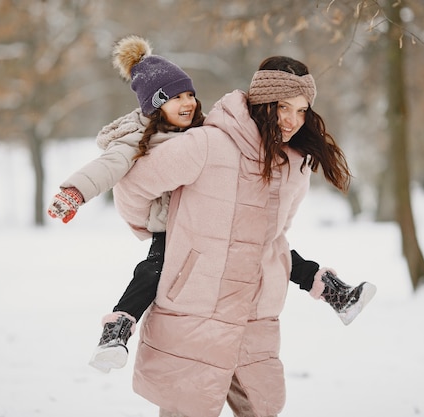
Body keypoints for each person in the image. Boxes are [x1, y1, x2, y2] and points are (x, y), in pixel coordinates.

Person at [49, 36, 375, 375]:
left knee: (274, 251)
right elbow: (109, 168)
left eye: (189, 94)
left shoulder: (201, 130)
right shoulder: (135, 138)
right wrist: (75, 192)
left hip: (209, 225)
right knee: (151, 271)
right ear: (154, 104)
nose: (187, 103)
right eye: (175, 98)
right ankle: (117, 329)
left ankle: (333, 292)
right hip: (172, 226)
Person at [112, 55, 374, 417]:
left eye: (301, 111)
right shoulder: (207, 145)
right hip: (195, 306)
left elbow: (278, 234)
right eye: (283, 107)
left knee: (259, 408)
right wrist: (166, 235)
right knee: (187, 406)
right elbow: (132, 188)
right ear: (262, 102)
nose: (291, 120)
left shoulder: (295, 164)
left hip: (255, 311)